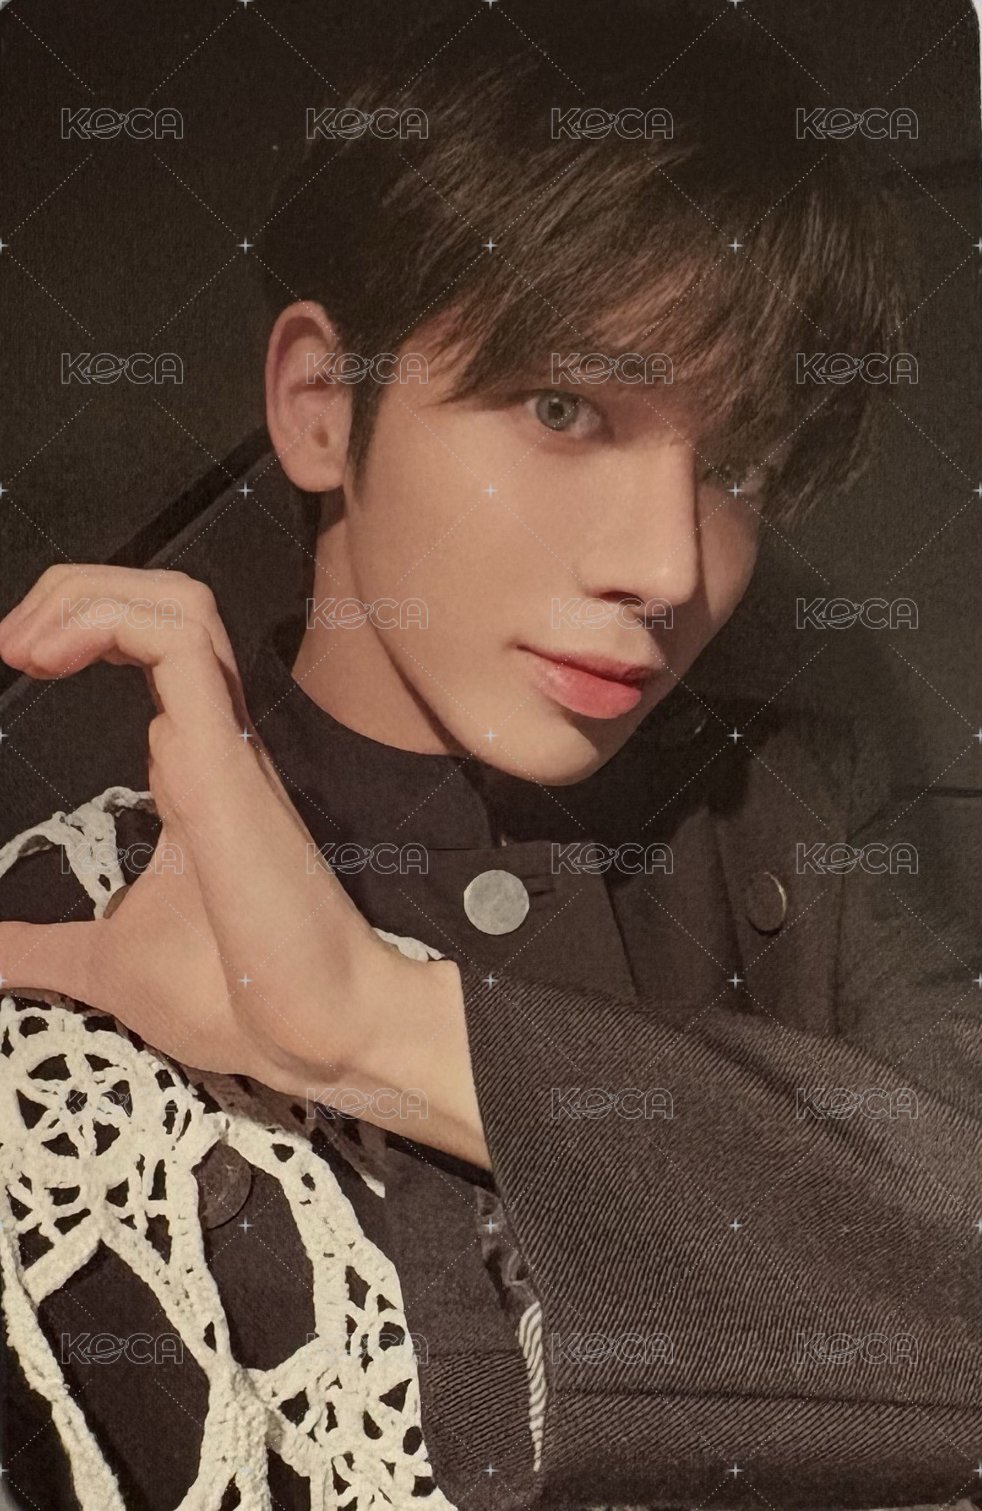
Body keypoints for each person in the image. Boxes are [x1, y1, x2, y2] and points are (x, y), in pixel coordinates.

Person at [1, 5, 978, 1509]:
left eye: (737, 465)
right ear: (321, 405)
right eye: (563, 408)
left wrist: (367, 1025)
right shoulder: (81, 922)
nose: (666, 566)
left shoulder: (792, 819)